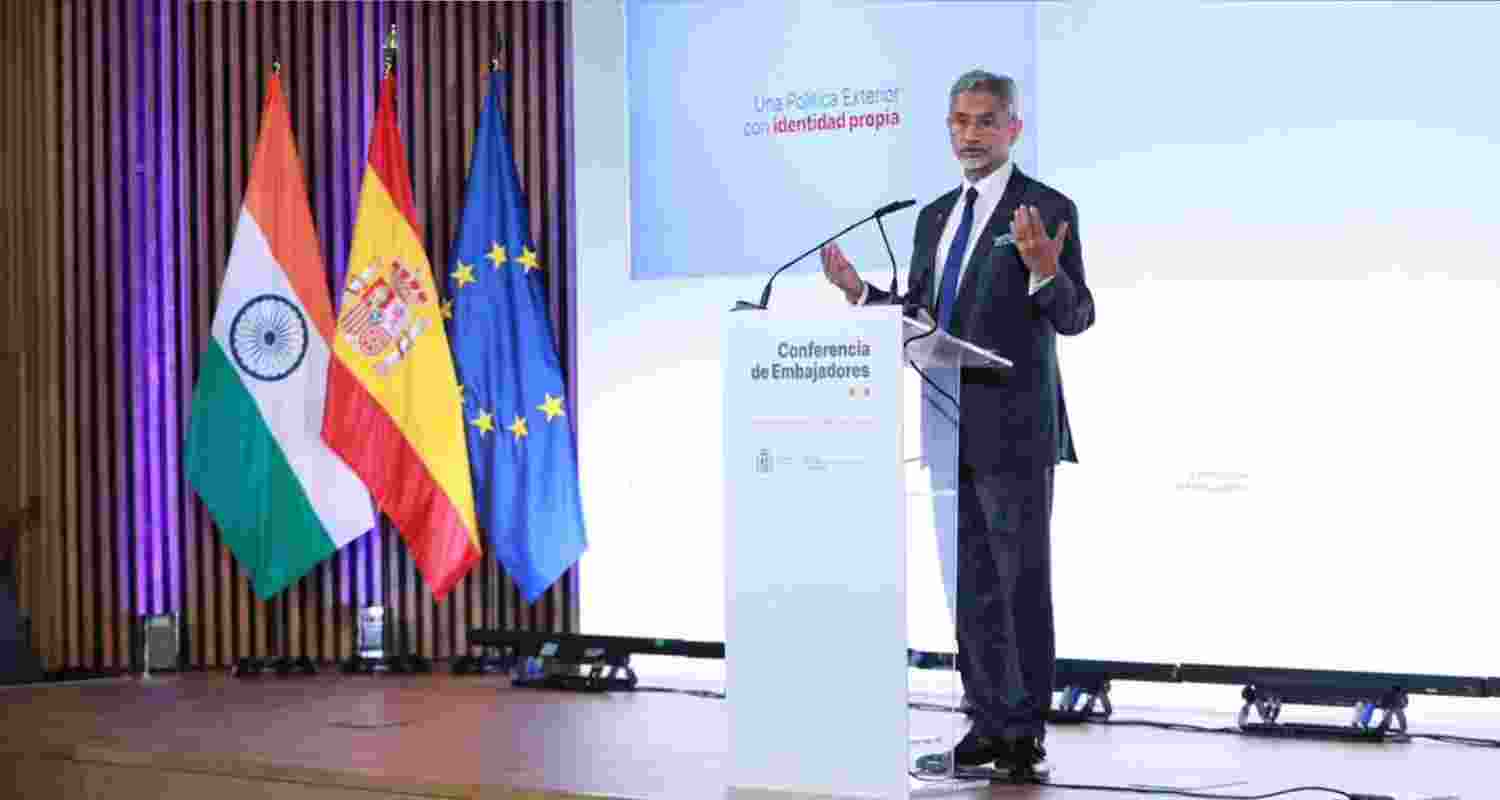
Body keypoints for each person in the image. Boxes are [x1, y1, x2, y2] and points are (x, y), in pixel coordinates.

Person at [821, 70, 1094, 778]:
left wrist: (1043, 270)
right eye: (958, 122)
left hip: (1016, 427)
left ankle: (1024, 730)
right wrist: (860, 293)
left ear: (1012, 129)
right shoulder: (935, 215)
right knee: (970, 582)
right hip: (946, 423)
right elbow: (920, 312)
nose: (968, 135)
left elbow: (1076, 316)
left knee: (1020, 579)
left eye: (983, 121)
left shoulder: (1047, 207)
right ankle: (985, 718)